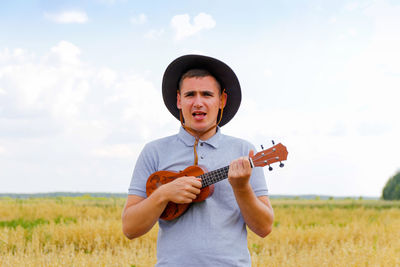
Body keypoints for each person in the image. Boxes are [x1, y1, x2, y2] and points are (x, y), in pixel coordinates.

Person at [122, 55, 274, 266]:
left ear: (221, 101)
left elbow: (264, 228)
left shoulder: (243, 152)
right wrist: (164, 194)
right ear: (179, 100)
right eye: (190, 94)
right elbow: (130, 229)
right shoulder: (154, 151)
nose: (198, 102)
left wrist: (241, 188)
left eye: (207, 94)